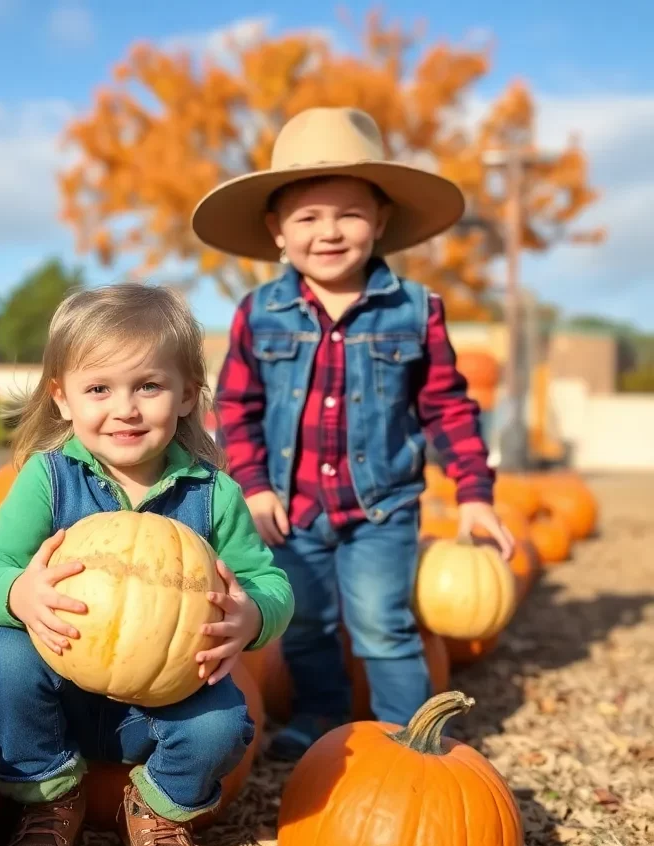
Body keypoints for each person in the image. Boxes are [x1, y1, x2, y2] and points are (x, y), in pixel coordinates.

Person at [191, 106, 514, 760]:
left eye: (349, 213)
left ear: (381, 222)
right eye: (308, 217)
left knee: (383, 625)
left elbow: (448, 408)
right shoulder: (259, 313)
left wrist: (475, 493)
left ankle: (414, 732)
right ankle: (319, 714)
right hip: (292, 506)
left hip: (382, 507)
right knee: (305, 622)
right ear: (277, 230)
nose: (329, 231)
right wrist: (251, 487)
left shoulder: (415, 311)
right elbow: (237, 408)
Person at [0, 283, 293, 846]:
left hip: (166, 698)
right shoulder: (48, 479)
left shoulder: (214, 495)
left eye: (148, 386)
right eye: (98, 389)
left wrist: (251, 616)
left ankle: (160, 806)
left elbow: (270, 583)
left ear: (188, 394)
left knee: (225, 720)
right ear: (61, 397)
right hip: (60, 687)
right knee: (2, 656)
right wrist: (19, 593)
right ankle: (48, 799)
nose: (126, 409)